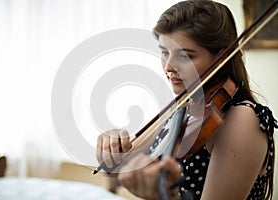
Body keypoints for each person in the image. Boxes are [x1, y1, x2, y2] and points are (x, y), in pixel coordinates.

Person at [96, 0, 277, 199]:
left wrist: (161, 196)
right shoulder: (182, 108)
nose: (168, 67)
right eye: (165, 52)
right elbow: (115, 169)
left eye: (185, 56)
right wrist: (111, 146)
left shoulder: (243, 118)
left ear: (221, 57)